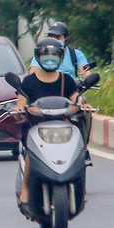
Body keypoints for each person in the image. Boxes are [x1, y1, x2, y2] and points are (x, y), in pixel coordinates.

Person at [14, 37, 84, 210]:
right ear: (38, 57)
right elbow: (20, 105)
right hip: (35, 127)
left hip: (63, 126)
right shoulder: (29, 82)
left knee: (79, 152)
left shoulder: (66, 80)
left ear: (60, 57)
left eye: (54, 54)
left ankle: (81, 189)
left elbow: (76, 100)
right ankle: (25, 188)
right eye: (45, 55)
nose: (50, 58)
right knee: (31, 152)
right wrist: (19, 111)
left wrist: (83, 105)